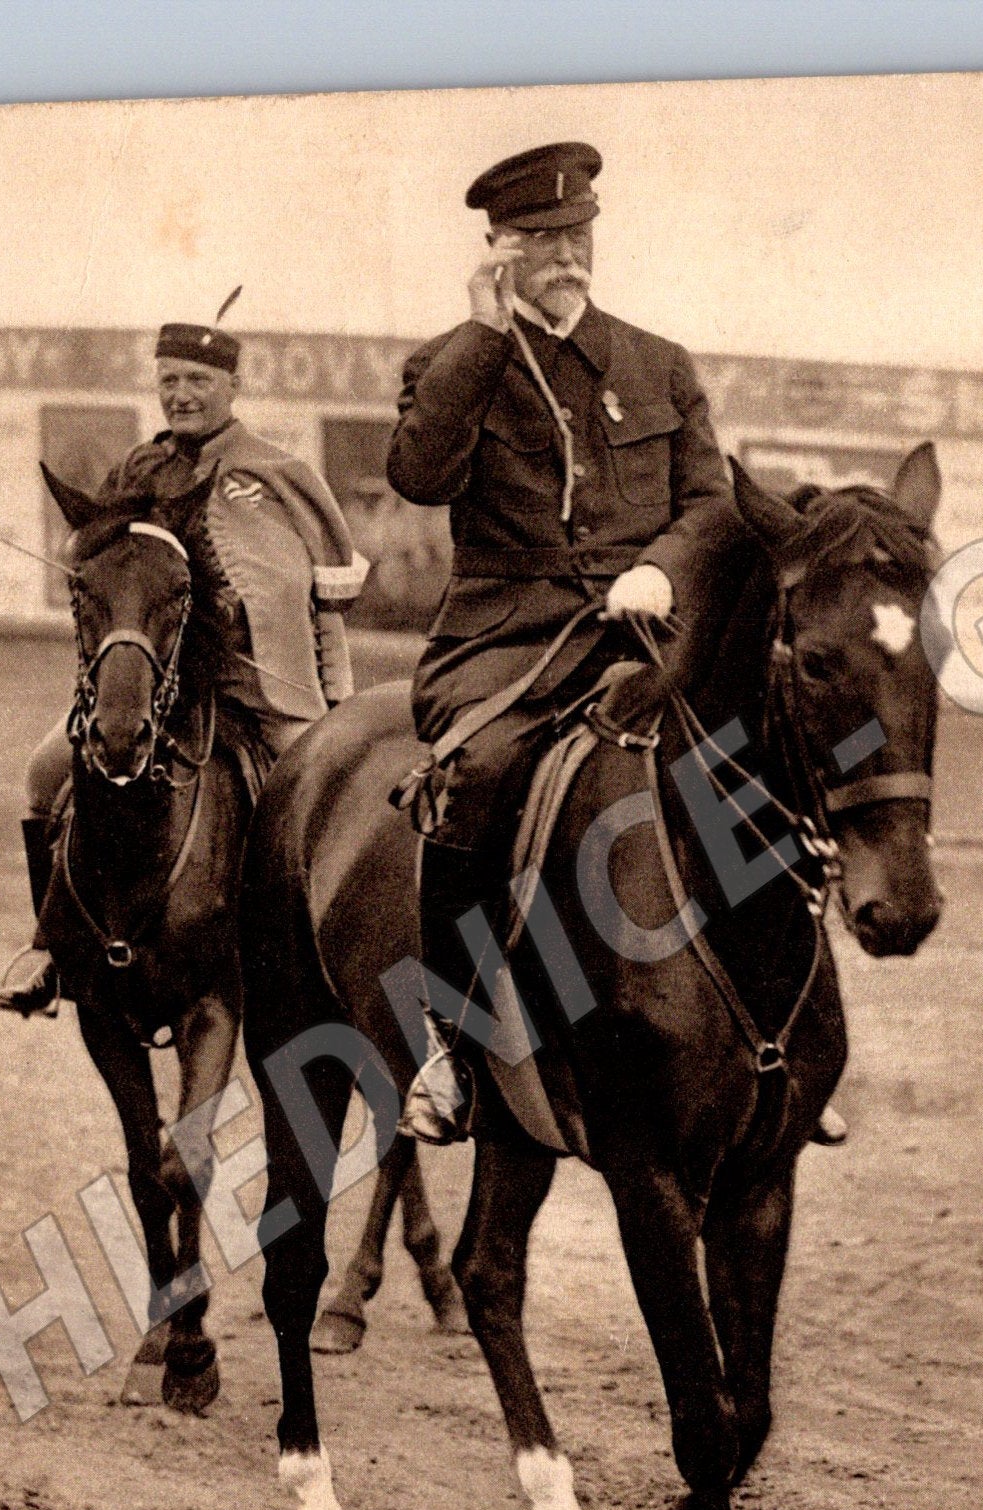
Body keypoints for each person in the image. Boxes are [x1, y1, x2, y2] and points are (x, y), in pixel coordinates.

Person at [386, 141, 735, 1142]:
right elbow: (418, 476)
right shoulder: (449, 363)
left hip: (641, 625)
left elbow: (709, 505)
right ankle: (449, 1049)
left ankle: (777, 1028)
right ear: (497, 251)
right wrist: (481, 337)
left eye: (575, 235)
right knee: (477, 776)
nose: (564, 256)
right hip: (506, 637)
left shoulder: (658, 364)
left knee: (757, 756)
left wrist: (660, 567)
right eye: (539, 240)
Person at [0, 314, 367, 1016]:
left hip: (265, 696)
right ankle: (54, 950)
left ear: (234, 383)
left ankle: (320, 966)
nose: (182, 394)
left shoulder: (283, 475)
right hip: (154, 692)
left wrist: (337, 700)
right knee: (46, 772)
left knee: (320, 806)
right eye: (169, 380)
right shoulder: (138, 469)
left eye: (198, 379)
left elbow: (326, 603)